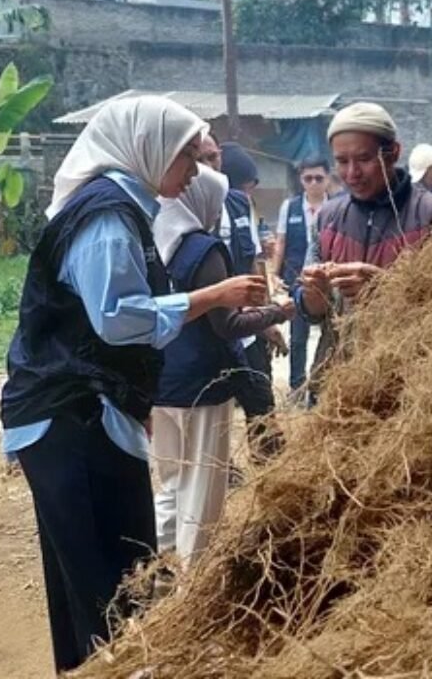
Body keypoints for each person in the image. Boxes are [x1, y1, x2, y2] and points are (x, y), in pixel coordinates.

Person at [0, 97, 268, 673]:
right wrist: (211, 297)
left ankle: (93, 668)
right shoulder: (106, 217)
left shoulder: (118, 209)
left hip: (82, 411)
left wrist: (132, 397)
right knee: (106, 573)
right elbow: (118, 318)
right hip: (71, 416)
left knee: (98, 569)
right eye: (186, 158)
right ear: (147, 150)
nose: (194, 173)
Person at [151, 168, 293, 564]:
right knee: (201, 488)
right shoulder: (203, 249)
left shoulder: (152, 240)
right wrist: (276, 313)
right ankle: (192, 584)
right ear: (206, 202)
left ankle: (160, 568)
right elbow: (227, 324)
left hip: (161, 381)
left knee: (172, 484)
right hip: (202, 385)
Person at [295, 103, 432, 375]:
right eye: (342, 162)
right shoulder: (327, 219)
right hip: (338, 383)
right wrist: (313, 294)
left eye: (364, 159)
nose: (352, 173)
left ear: (393, 153)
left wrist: (387, 289)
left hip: (410, 383)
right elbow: (313, 311)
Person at [213, 140, 284, 461]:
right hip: (213, 326)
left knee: (261, 399)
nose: (248, 193)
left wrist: (268, 317)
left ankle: (267, 461)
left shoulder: (243, 208)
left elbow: (256, 264)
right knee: (214, 406)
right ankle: (222, 467)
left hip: (248, 325)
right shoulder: (187, 209)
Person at [272, 155, 332, 393]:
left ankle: (323, 386)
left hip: (329, 281)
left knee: (330, 336)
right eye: (308, 178)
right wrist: (275, 274)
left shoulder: (336, 206)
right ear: (301, 180)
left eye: (319, 178)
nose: (314, 183)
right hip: (297, 280)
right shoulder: (291, 207)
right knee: (298, 337)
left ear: (328, 178)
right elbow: (281, 241)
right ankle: (297, 386)